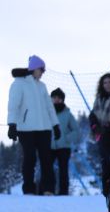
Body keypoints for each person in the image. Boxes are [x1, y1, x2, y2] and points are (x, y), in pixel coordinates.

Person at [7, 55, 59, 195]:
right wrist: (12, 124)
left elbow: (49, 107)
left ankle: (47, 189)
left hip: (44, 129)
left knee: (46, 159)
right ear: (35, 68)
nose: (43, 72)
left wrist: (55, 125)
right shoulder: (19, 83)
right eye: (42, 69)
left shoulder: (42, 86)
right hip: (26, 129)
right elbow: (13, 106)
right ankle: (29, 189)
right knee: (30, 158)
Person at [50, 88, 81, 196]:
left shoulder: (67, 114)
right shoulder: (46, 112)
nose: (56, 100)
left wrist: (66, 138)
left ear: (62, 99)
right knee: (47, 169)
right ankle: (49, 191)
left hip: (64, 147)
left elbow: (76, 130)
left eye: (59, 98)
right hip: (49, 146)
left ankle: (63, 192)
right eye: (54, 98)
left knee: (63, 170)